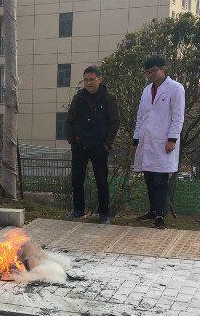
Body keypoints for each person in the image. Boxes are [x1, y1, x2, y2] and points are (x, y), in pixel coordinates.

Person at [132, 55, 185, 230]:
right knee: (148, 177)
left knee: (161, 179)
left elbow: (178, 116)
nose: (151, 74)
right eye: (148, 72)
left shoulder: (175, 88)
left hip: (164, 141)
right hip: (146, 140)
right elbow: (141, 116)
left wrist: (172, 139)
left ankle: (160, 216)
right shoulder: (147, 90)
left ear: (163, 69)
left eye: (154, 70)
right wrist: (136, 139)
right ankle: (153, 210)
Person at [64, 66, 120, 225]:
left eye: (91, 79)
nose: (88, 83)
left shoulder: (109, 98)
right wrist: (72, 140)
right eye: (86, 80)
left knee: (101, 180)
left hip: (99, 146)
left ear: (99, 79)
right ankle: (78, 210)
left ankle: (104, 214)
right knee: (77, 179)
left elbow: (115, 122)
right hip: (80, 145)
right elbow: (69, 121)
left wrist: (107, 143)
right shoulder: (78, 98)